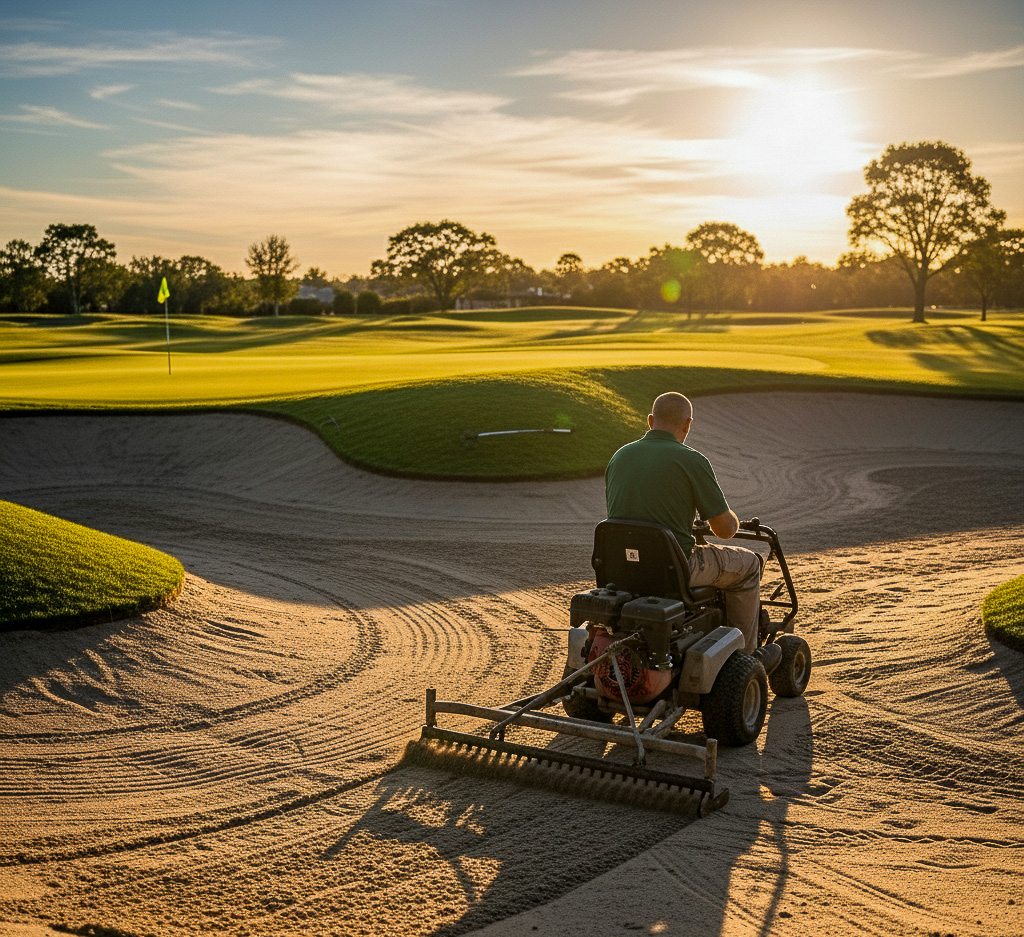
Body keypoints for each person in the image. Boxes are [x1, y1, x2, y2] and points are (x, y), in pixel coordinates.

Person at [604, 391, 781, 673]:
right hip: (676, 568)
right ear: (688, 425)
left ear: (650, 421)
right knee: (748, 564)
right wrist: (733, 518)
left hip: (622, 567)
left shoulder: (619, 456)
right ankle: (747, 658)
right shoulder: (692, 460)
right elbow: (725, 530)